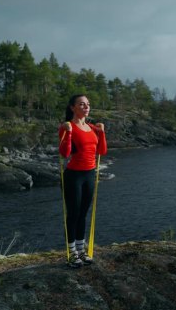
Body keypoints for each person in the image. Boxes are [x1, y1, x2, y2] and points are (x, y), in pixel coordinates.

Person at [58, 94, 107, 268]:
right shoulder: (67, 126)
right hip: (74, 176)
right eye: (81, 104)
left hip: (90, 174)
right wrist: (68, 133)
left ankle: (81, 250)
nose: (86, 107)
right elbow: (65, 153)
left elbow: (101, 150)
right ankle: (71, 253)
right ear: (73, 107)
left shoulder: (92, 128)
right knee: (73, 214)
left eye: (88, 104)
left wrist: (102, 133)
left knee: (83, 214)